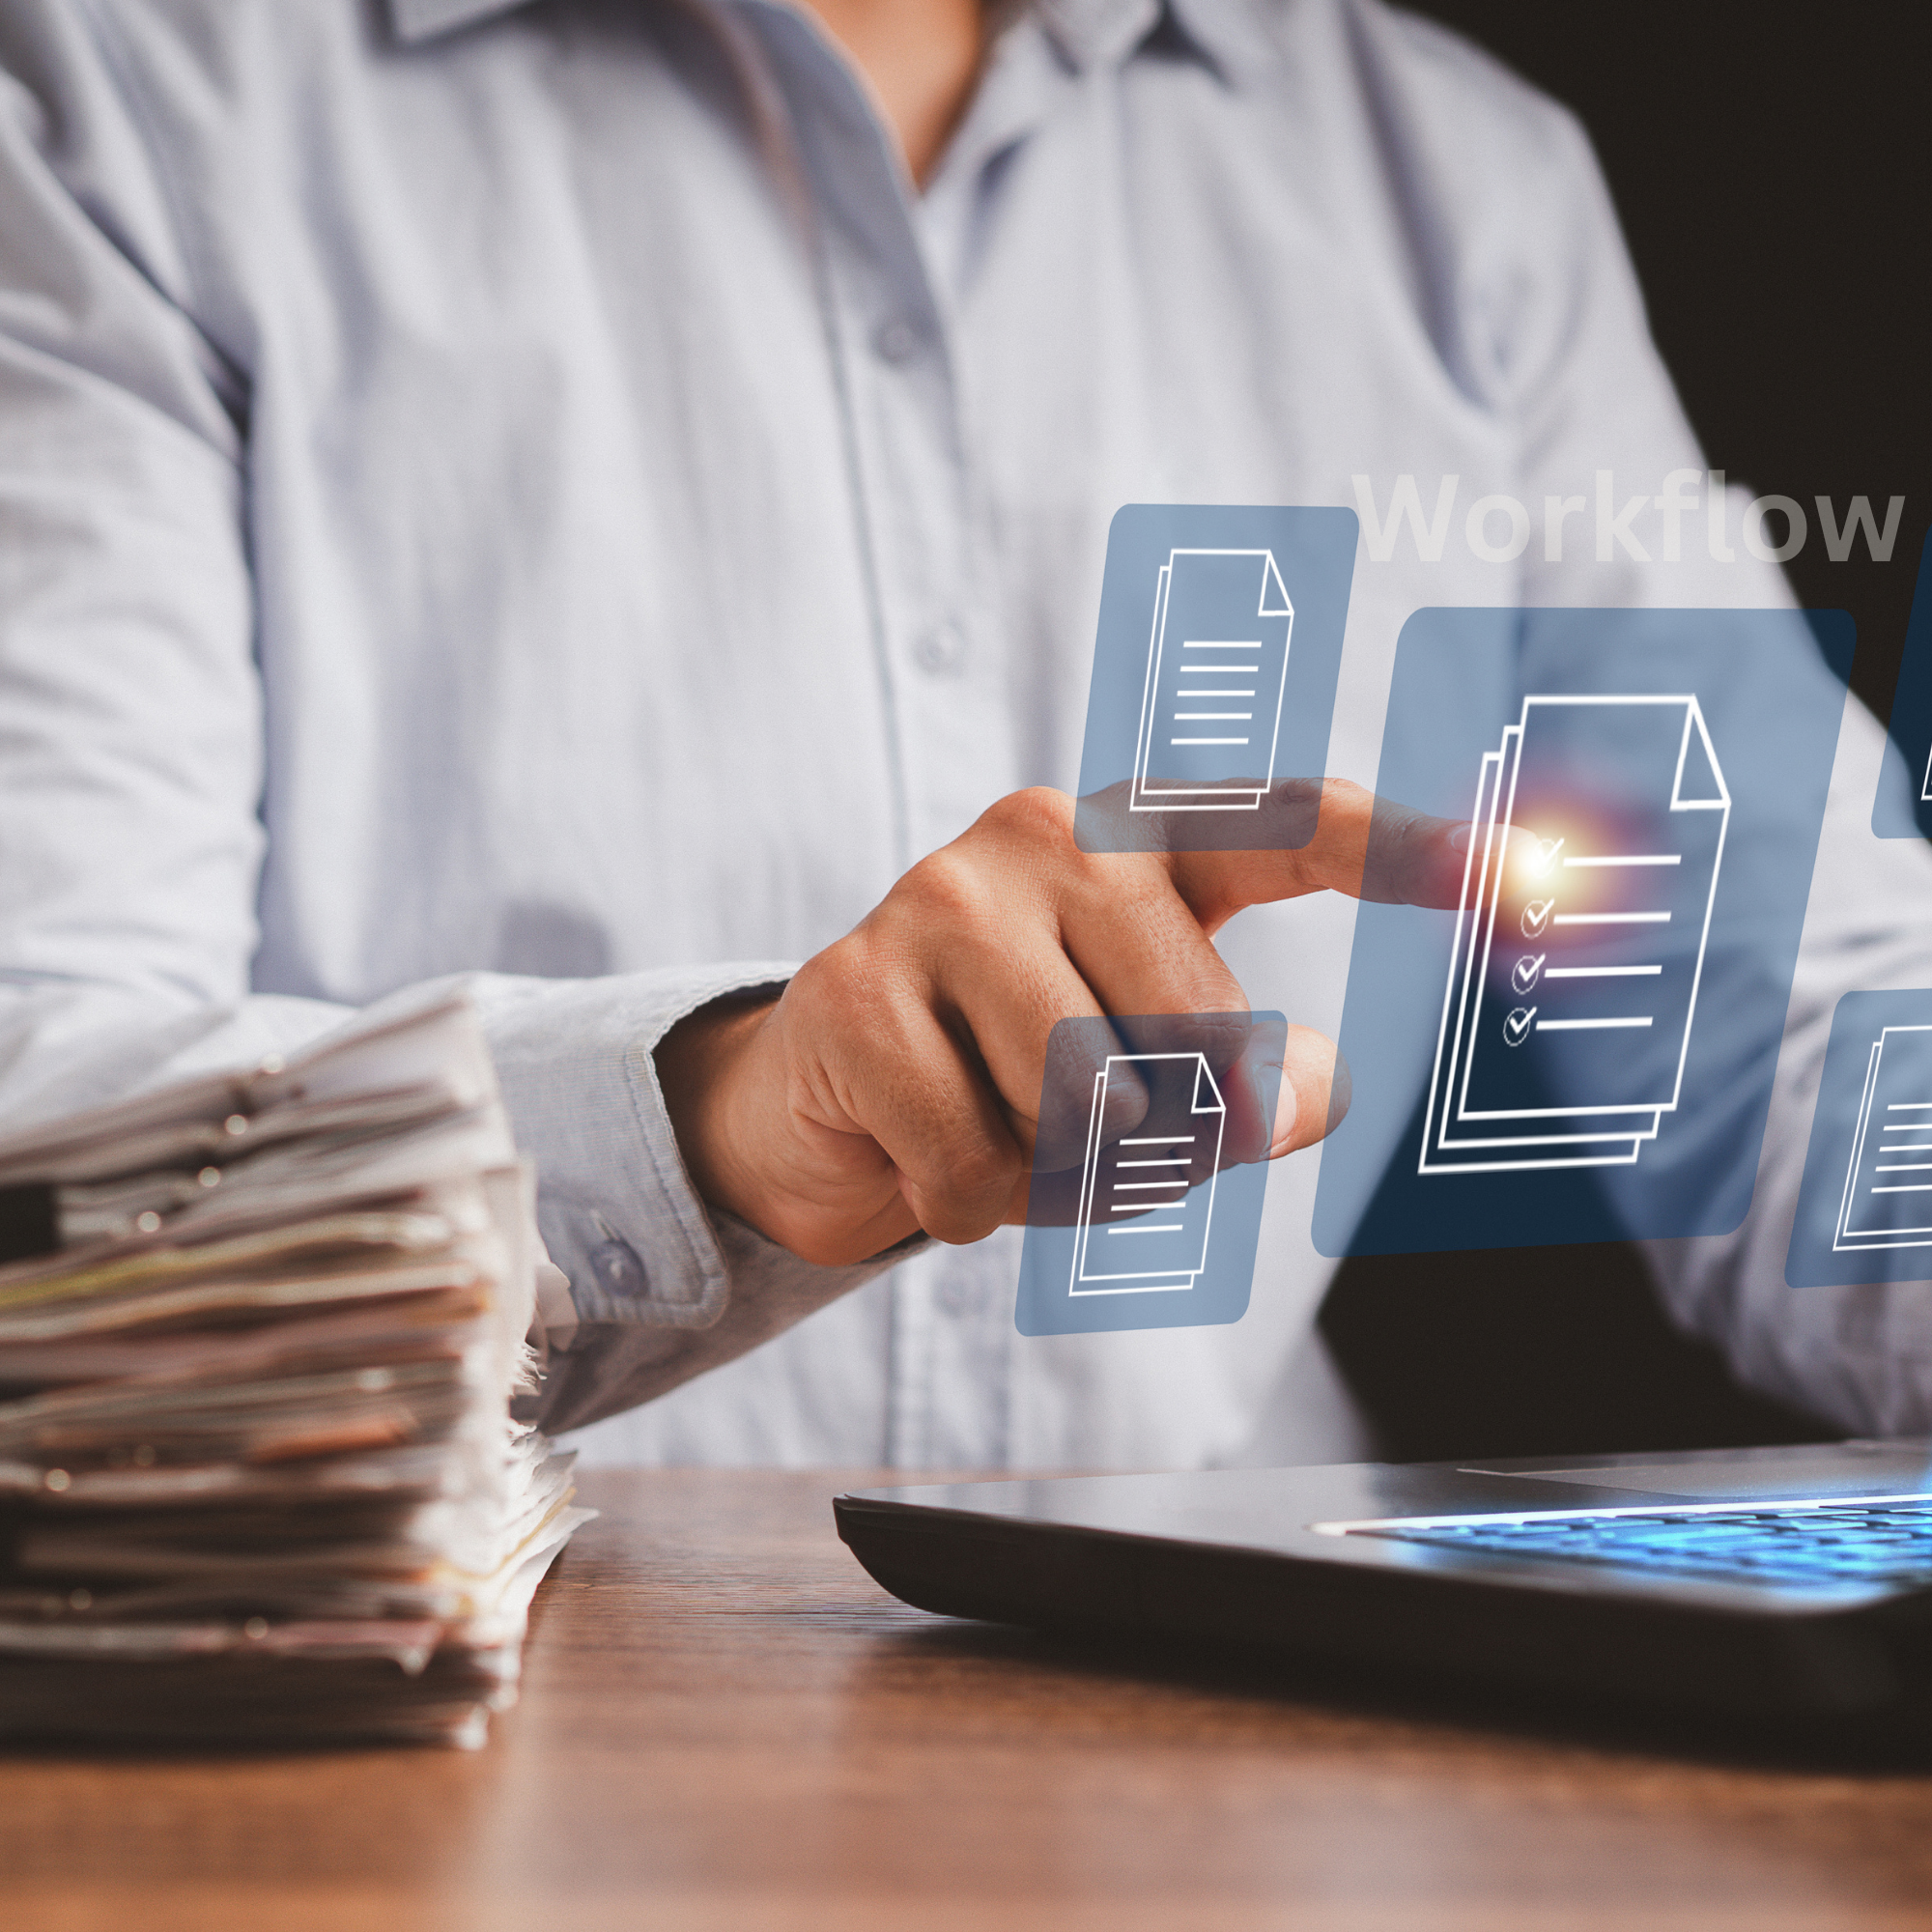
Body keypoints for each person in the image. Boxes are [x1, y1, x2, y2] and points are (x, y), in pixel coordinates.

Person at [1, 0, 1926, 1467]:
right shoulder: (134, 96)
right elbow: (48, 1142)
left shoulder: (1460, 188)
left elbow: (1793, 1032)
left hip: (1273, 1735)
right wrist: (719, 1123)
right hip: (465, 1727)